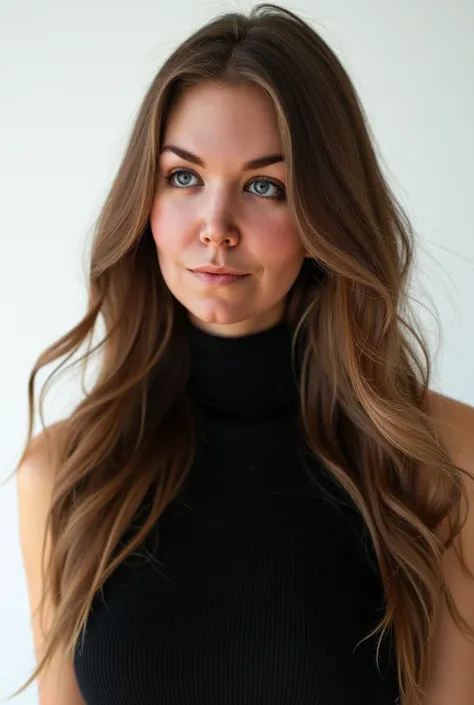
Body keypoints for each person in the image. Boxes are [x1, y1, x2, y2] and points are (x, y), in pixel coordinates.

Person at [9, 4, 474, 705]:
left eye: (265, 186)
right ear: (146, 201)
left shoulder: (443, 461)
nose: (216, 228)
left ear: (326, 214)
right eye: (184, 177)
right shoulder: (65, 476)